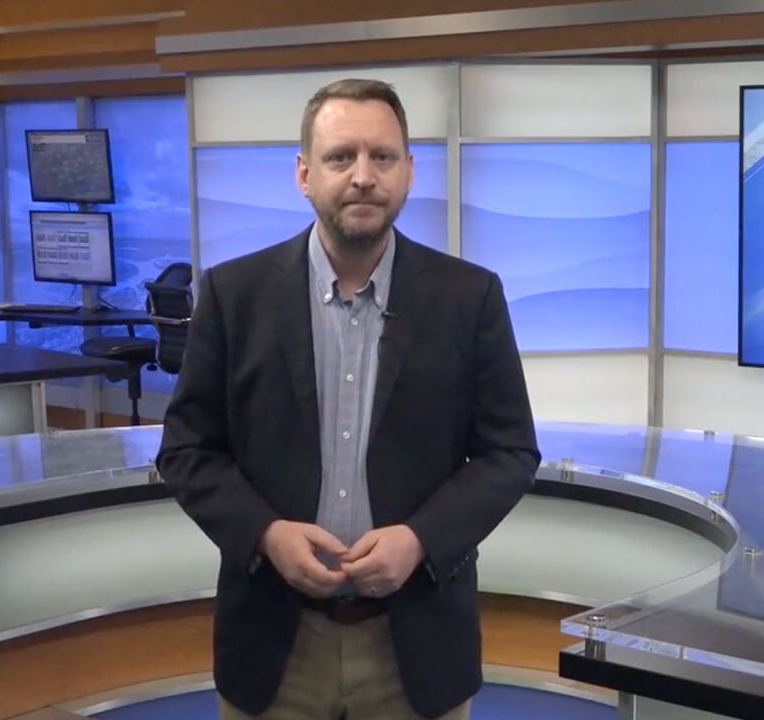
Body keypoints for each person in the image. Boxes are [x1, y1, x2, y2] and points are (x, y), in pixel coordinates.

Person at [157, 78, 541, 720]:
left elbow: (511, 453)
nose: (363, 176)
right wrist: (267, 535)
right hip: (273, 645)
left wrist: (420, 540)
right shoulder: (232, 295)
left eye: (382, 157)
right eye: (341, 157)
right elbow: (187, 451)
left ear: (409, 171)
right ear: (305, 174)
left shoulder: (469, 298)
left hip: (417, 644)